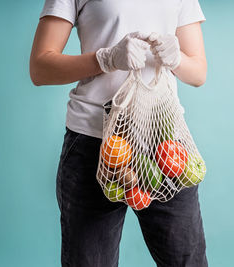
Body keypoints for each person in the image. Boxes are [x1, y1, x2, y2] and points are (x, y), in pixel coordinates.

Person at [29, 0, 208, 266]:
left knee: (187, 260)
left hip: (164, 144)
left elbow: (198, 73)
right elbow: (40, 68)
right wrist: (106, 59)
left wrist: (178, 59)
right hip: (94, 142)